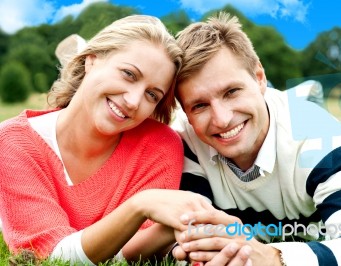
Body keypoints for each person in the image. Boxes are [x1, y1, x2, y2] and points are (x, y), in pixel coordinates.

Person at [0, 14, 239, 265]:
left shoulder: (159, 146)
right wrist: (139, 206)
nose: (134, 101)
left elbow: (129, 254)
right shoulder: (14, 143)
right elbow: (50, 257)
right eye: (128, 74)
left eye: (151, 94)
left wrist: (181, 225)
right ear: (91, 60)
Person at [170, 12, 341, 265]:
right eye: (199, 105)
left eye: (231, 91)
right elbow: (188, 243)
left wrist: (273, 257)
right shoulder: (184, 137)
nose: (222, 119)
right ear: (186, 112)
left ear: (259, 78)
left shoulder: (317, 130)